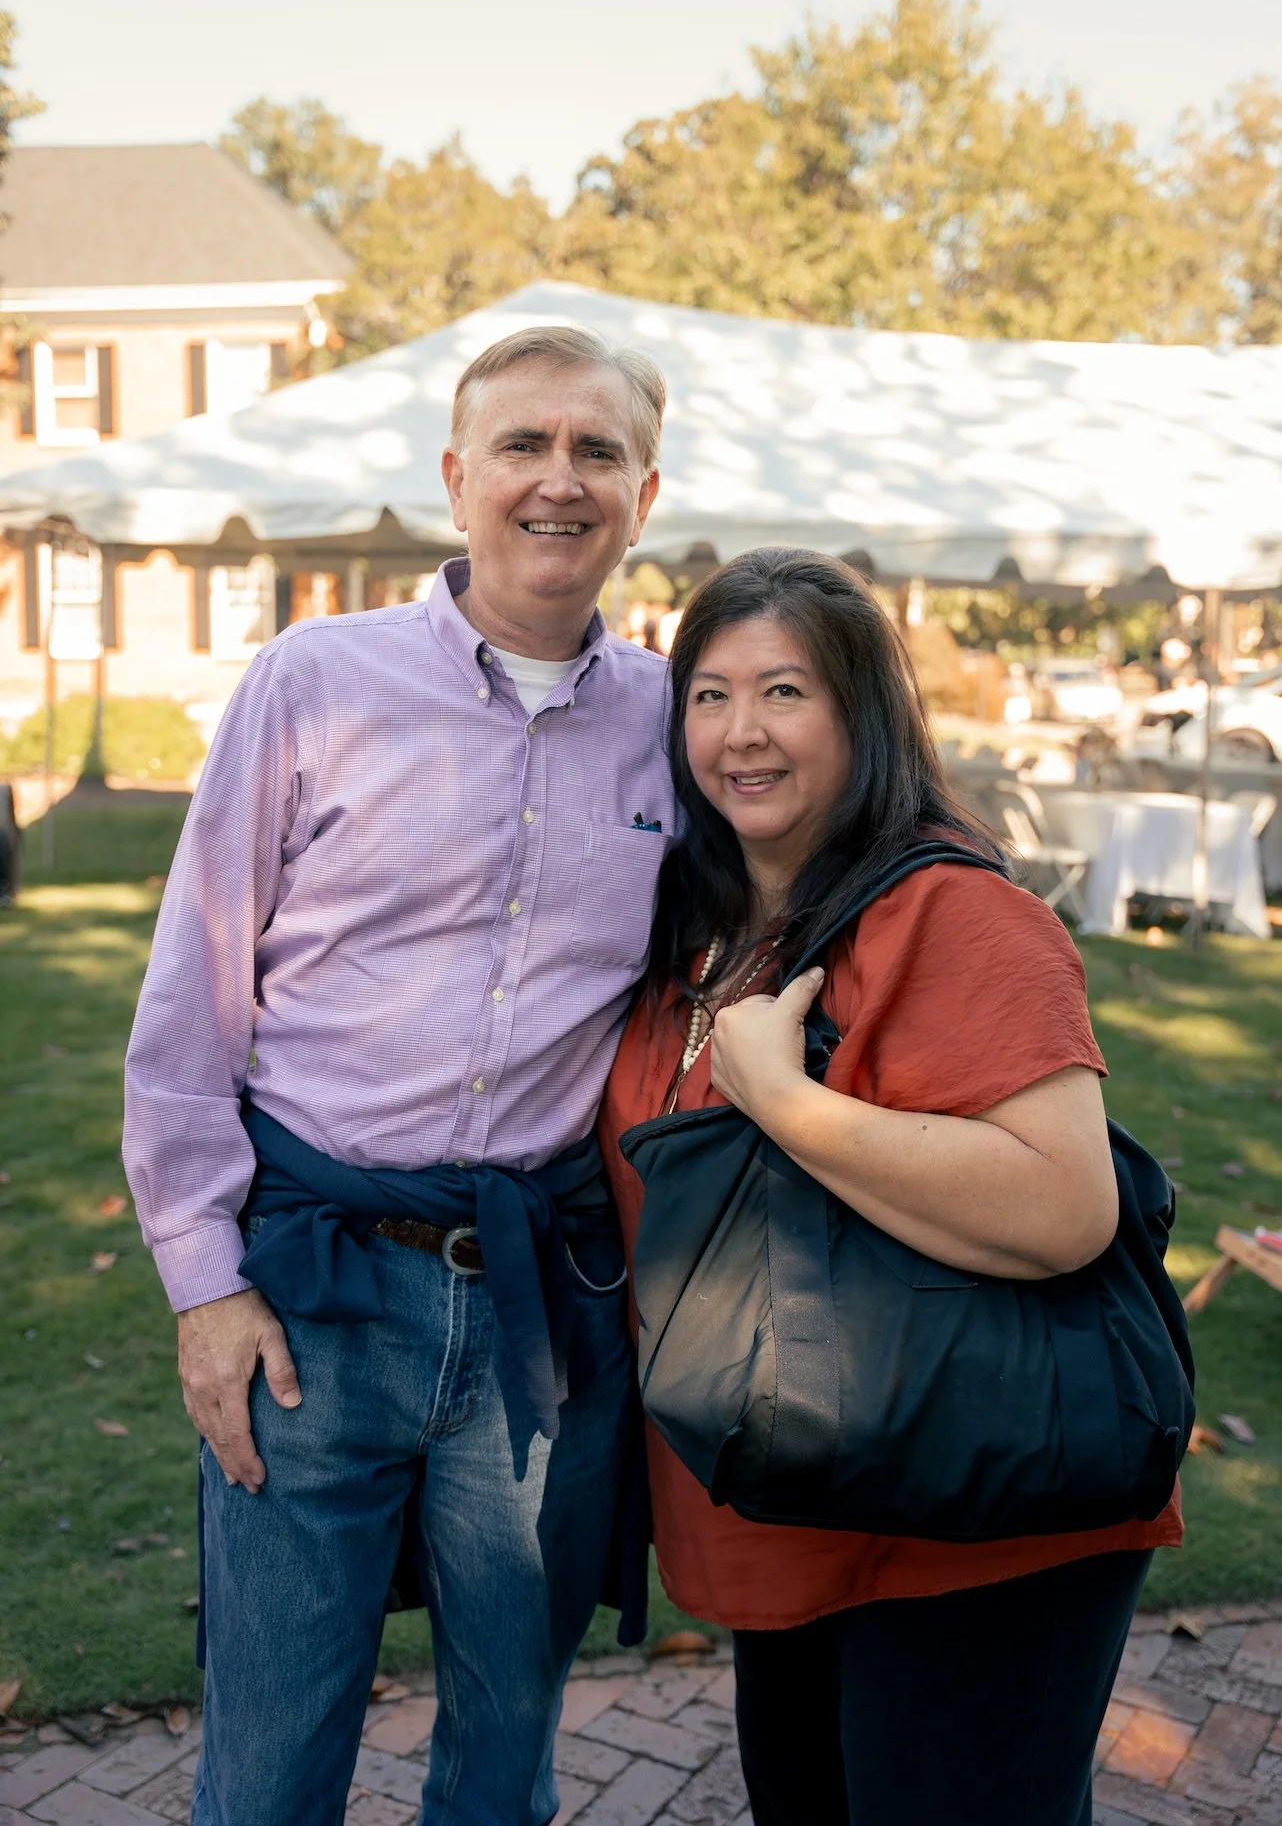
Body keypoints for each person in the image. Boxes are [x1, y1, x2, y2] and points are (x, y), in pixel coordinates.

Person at [122, 324, 676, 1826]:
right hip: (311, 1301)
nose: (556, 481)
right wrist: (203, 1286)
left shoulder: (677, 723)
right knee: (271, 1763)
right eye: (522, 445)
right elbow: (191, 1000)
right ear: (457, 478)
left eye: (595, 451)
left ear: (644, 487)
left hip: (536, 1318)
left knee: (505, 1760)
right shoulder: (316, 679)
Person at [598, 548, 1182, 1826]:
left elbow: (1063, 1203)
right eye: (708, 694)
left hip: (970, 1511)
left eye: (785, 692)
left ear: (863, 716)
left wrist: (791, 1102)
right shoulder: (700, 932)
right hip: (797, 1493)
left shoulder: (949, 916)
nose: (741, 732)